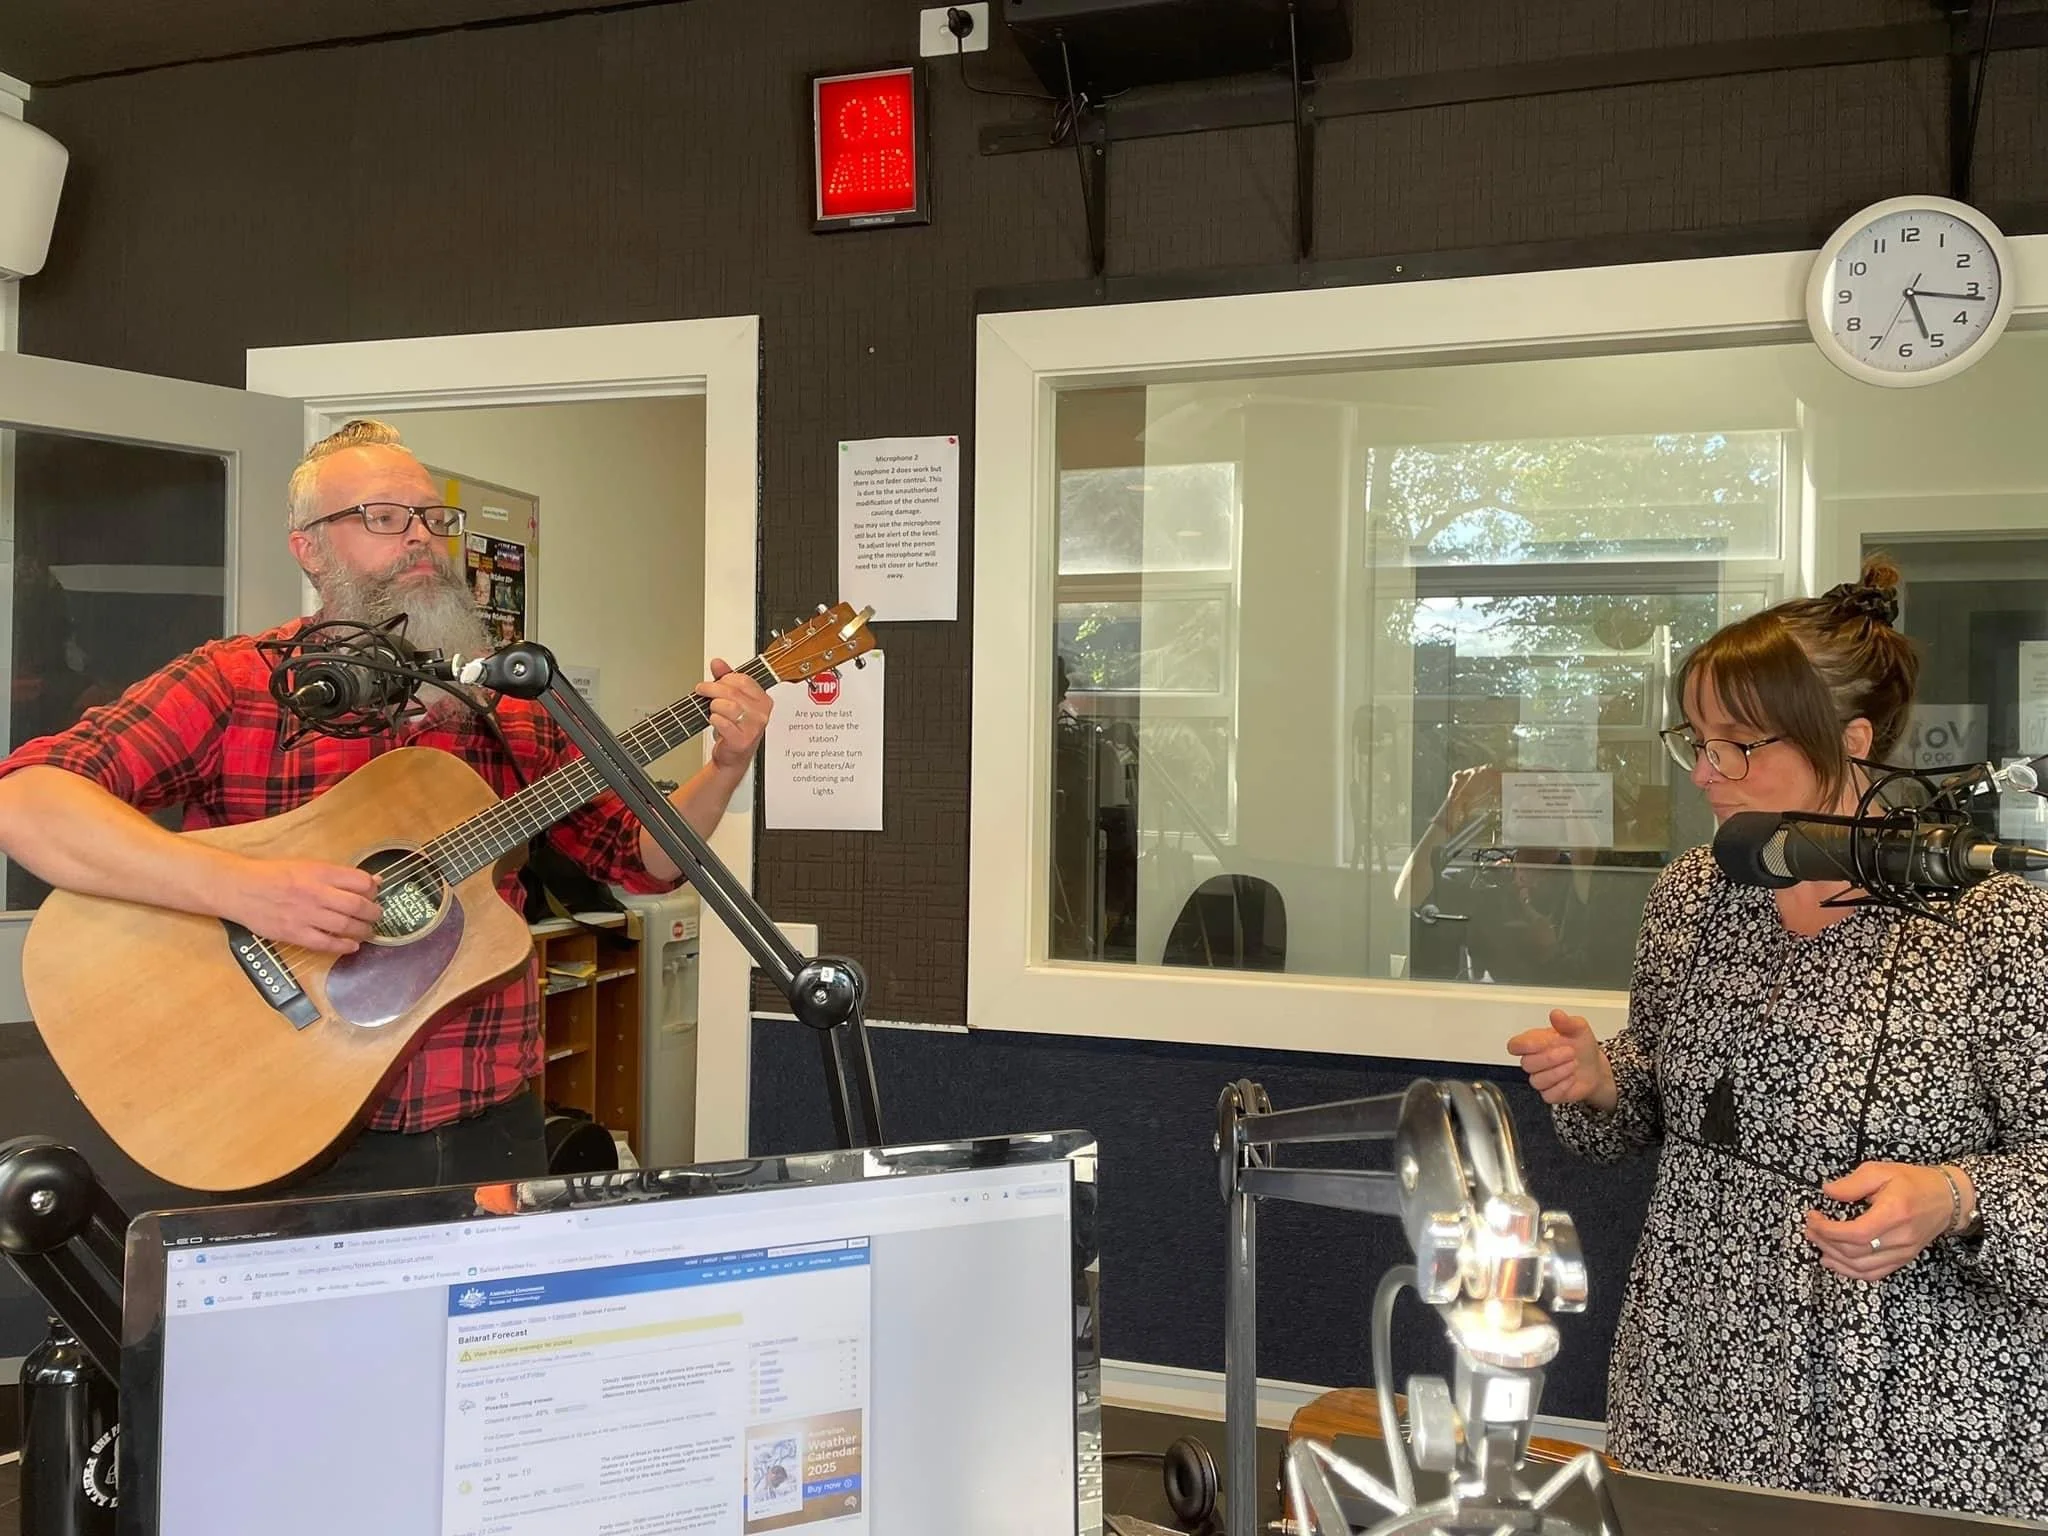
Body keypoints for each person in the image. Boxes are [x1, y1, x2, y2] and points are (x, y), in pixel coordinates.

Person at [0, 419, 772, 1196]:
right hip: (279, 1122)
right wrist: (247, 892)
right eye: (382, 516)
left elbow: (644, 860)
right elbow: (27, 800)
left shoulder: (513, 706)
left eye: (432, 519)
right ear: (308, 548)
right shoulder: (234, 684)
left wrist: (726, 765)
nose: (420, 539)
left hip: (487, 1123)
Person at [1506, 555, 2048, 1521]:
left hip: (1913, 1407)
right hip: (1695, 1373)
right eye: (1697, 742)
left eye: (1738, 746)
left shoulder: (1993, 923)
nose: (1707, 773)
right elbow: (1656, 1105)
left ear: (1851, 739)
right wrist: (1601, 1083)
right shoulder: (1694, 895)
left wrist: (1956, 1194)